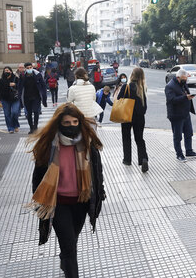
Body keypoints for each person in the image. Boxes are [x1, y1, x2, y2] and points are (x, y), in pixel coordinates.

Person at [26, 103, 105, 278]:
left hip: (81, 201)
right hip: (58, 202)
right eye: (67, 123)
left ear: (80, 121)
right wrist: (39, 202)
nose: (71, 126)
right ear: (59, 123)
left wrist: (101, 193)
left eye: (75, 122)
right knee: (69, 245)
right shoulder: (48, 145)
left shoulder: (87, 141)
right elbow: (38, 176)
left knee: (72, 241)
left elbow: (97, 171)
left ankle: (65, 258)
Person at [117, 67, 149, 172]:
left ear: (132, 75)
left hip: (126, 116)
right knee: (139, 139)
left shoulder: (126, 86)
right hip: (139, 117)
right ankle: (143, 159)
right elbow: (145, 107)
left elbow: (119, 99)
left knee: (126, 138)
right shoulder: (142, 88)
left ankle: (127, 160)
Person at [164, 69, 196, 162]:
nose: (185, 80)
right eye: (184, 79)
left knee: (189, 133)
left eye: (186, 78)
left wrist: (188, 96)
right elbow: (171, 100)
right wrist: (185, 97)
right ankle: (179, 154)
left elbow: (186, 93)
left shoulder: (183, 84)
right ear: (178, 77)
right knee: (178, 136)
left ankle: (189, 151)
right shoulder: (170, 86)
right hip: (176, 115)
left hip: (185, 113)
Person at [18, 62, 47, 134]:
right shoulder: (22, 76)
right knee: (29, 113)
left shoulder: (37, 74)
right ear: (25, 69)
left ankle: (35, 126)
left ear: (32, 67)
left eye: (30, 67)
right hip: (27, 97)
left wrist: (43, 96)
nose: (29, 69)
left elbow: (43, 85)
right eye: (27, 68)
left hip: (36, 96)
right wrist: (20, 97)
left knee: (36, 111)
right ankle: (31, 127)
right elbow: (20, 87)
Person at [0, 66, 20, 133]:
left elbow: (20, 86)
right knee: (7, 114)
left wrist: (15, 84)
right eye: (5, 71)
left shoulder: (15, 78)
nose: (7, 72)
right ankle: (10, 128)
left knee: (14, 112)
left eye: (8, 70)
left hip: (15, 98)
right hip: (5, 99)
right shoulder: (2, 80)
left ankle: (16, 125)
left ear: (11, 71)